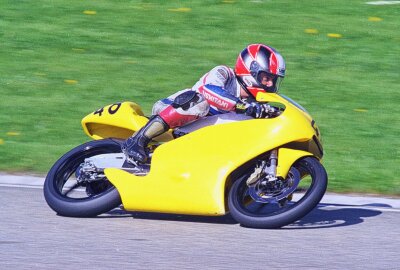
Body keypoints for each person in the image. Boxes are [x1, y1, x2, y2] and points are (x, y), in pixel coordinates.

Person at [122, 43, 286, 164]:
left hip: (200, 135)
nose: (270, 84)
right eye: (266, 78)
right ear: (250, 70)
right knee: (199, 102)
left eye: (273, 80)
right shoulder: (224, 73)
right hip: (173, 114)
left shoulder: (255, 102)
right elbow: (209, 91)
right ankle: (137, 141)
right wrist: (243, 107)